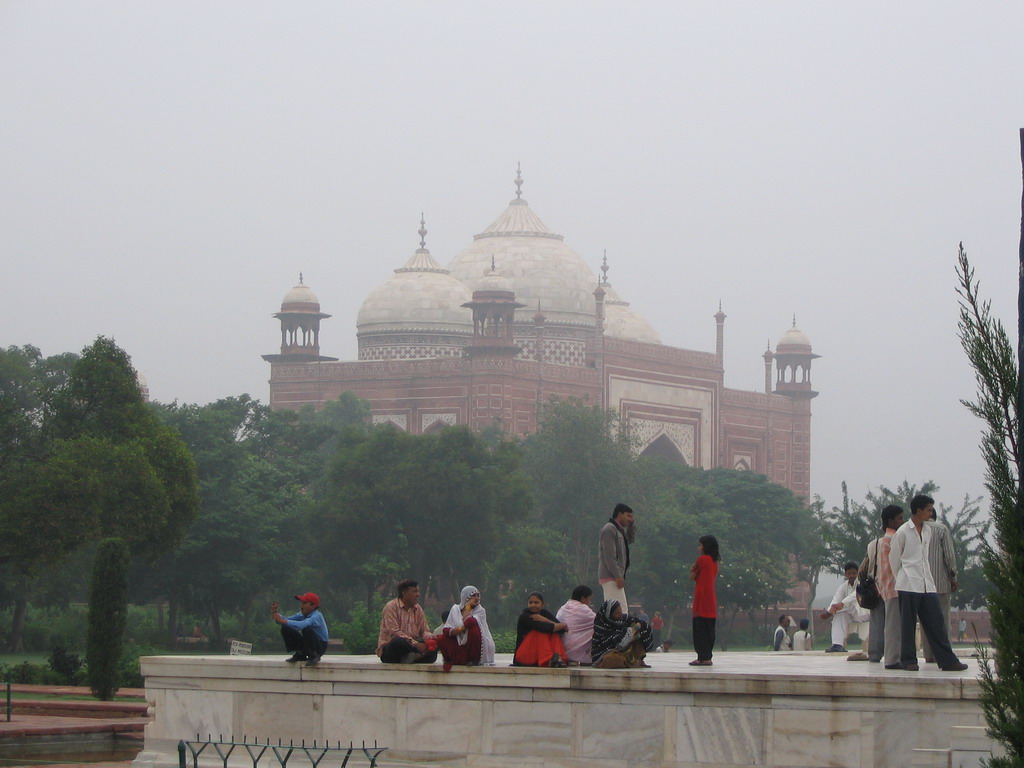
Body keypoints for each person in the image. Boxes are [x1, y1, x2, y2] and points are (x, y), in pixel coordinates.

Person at [889, 494, 968, 672]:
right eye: (929, 509)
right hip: (908, 583)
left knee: (936, 622)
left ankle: (947, 660)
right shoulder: (903, 532)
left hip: (927, 583)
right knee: (908, 625)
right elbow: (894, 560)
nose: (931, 512)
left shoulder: (928, 531)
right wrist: (902, 577)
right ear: (919, 510)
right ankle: (909, 660)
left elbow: (924, 559)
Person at [863, 504, 903, 668]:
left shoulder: (873, 544)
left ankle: (874, 654)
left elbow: (869, 564)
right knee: (892, 624)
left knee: (877, 623)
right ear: (890, 520)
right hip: (891, 585)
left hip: (877, 584)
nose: (903, 521)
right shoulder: (894, 540)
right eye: (900, 518)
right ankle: (893, 657)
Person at [921, 507, 958, 664]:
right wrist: (953, 577)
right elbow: (949, 556)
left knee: (925, 621)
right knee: (943, 619)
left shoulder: (914, 529)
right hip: (940, 583)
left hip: (921, 584)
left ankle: (928, 654)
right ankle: (943, 655)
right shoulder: (941, 529)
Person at [377, 579, 439, 664]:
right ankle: (417, 656)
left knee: (434, 645)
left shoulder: (418, 609)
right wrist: (416, 645)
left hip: (412, 646)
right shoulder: (391, 607)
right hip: (393, 650)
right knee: (398, 641)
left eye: (418, 591)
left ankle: (411, 657)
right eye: (414, 591)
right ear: (404, 592)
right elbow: (394, 632)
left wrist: (430, 639)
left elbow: (424, 630)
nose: (418, 595)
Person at [437, 585, 496, 671]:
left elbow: (469, 622)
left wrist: (468, 607)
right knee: (441, 638)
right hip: (459, 645)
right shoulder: (455, 609)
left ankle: (474, 660)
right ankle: (450, 659)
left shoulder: (480, 610)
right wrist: (461, 629)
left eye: (478, 595)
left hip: (474, 647)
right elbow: (446, 629)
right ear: (465, 597)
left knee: (474, 629)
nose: (476, 598)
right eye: (473, 595)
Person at [819, 562, 871, 653]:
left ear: (857, 573)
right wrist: (832, 609)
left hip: (863, 613)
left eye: (854, 573)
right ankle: (837, 645)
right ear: (845, 574)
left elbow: (854, 595)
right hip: (850, 614)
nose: (851, 576)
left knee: (850, 604)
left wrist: (841, 604)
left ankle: (831, 613)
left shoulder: (862, 583)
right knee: (839, 614)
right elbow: (836, 599)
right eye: (849, 573)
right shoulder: (843, 586)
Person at [271, 592, 329, 666]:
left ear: (313, 605)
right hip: (308, 644)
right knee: (285, 627)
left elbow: (302, 625)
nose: (301, 605)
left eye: (304, 603)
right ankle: (300, 653)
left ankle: (314, 655)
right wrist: (275, 613)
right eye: (301, 603)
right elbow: (285, 620)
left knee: (307, 629)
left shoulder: (317, 616)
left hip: (320, 646)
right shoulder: (302, 614)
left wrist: (282, 620)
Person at [591, 599, 654, 668]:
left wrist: (635, 631)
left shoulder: (624, 619)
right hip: (606, 653)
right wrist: (635, 628)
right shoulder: (602, 626)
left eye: (620, 611)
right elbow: (620, 643)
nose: (620, 614)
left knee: (641, 633)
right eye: (617, 613)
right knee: (613, 659)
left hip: (624, 651)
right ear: (609, 615)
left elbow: (641, 624)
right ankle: (630, 662)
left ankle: (636, 661)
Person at [513, 592, 568, 667]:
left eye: (536, 603)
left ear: (542, 604)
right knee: (540, 631)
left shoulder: (544, 613)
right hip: (524, 655)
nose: (533, 605)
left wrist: (546, 620)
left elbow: (561, 630)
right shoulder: (525, 616)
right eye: (530, 602)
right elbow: (545, 628)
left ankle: (558, 658)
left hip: (537, 654)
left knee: (554, 633)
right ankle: (547, 659)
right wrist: (563, 625)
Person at [598, 503, 635, 609]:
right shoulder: (609, 529)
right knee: (620, 610)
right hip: (610, 576)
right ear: (619, 514)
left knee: (616, 609)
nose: (630, 519)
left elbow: (630, 540)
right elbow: (609, 556)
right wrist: (617, 576)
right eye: (628, 516)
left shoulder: (619, 531)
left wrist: (631, 526)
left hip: (615, 576)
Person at [689, 534, 719, 666]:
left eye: (700, 545)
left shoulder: (703, 559)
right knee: (709, 630)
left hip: (702, 599)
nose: (698, 548)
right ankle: (707, 656)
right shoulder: (714, 562)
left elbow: (693, 575)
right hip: (711, 599)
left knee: (700, 630)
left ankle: (702, 656)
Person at [555, 585, 597, 665]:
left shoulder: (563, 608)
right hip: (576, 651)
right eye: (589, 599)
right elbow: (598, 622)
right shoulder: (584, 609)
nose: (589, 602)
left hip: (562, 648)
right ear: (583, 598)